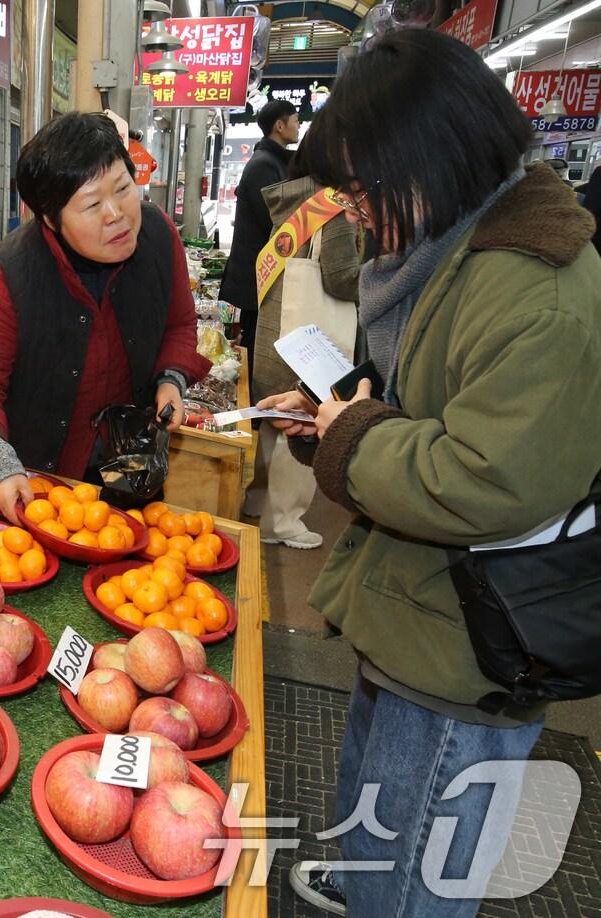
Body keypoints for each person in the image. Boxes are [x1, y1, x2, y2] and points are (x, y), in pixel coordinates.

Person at [258, 30, 601, 917]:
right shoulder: (451, 249)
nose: (360, 213)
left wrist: (354, 433)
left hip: (474, 638)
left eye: (368, 188)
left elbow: (488, 477)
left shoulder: (538, 289)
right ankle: (358, 880)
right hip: (415, 603)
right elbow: (431, 403)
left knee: (418, 875)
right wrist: (335, 416)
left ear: (432, 154)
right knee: (377, 816)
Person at [0, 112, 210, 524]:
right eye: (92, 204)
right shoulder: (12, 271)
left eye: (123, 188)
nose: (116, 214)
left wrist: (171, 381)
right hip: (44, 480)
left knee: (129, 562)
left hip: (134, 460)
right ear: (51, 220)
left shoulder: (160, 236)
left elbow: (180, 324)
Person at [243, 159, 360, 550]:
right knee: (303, 420)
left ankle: (258, 499)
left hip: (276, 330)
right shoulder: (334, 205)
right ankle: (283, 521)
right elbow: (343, 277)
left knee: (275, 419)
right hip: (307, 340)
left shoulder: (293, 200)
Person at [219, 99, 300, 370]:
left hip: (260, 274)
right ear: (280, 125)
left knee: (253, 343)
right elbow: (274, 221)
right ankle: (251, 407)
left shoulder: (272, 161)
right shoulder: (264, 165)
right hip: (256, 276)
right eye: (295, 120)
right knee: (252, 347)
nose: (298, 125)